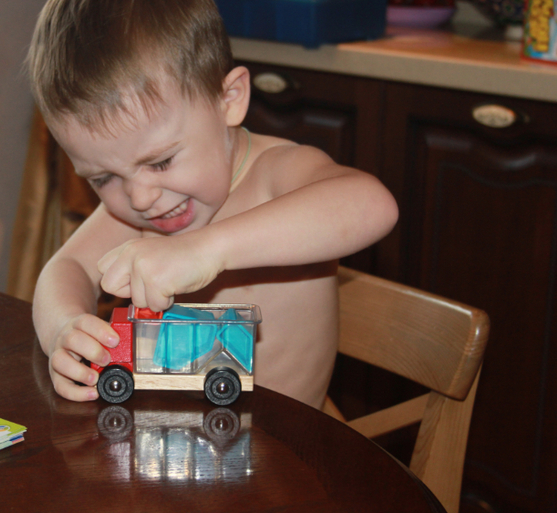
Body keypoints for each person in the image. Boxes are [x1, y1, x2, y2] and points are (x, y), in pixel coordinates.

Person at [26, 0, 398, 408]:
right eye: (103, 178)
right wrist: (63, 327)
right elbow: (66, 267)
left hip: (282, 442)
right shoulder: (138, 207)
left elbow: (371, 205)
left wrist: (205, 251)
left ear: (229, 99)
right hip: (170, 435)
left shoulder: (277, 173)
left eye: (161, 161)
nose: (140, 197)